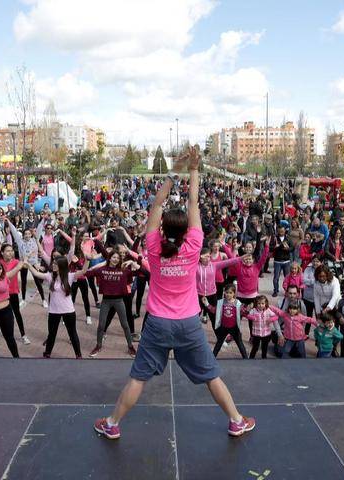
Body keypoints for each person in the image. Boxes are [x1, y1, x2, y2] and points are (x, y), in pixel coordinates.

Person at [94, 147, 255, 440]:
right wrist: (193, 168)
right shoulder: (194, 244)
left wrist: (174, 170)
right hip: (188, 324)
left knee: (138, 377)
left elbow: (156, 206)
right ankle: (236, 420)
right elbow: (193, 201)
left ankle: (112, 423)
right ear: (185, 231)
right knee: (211, 375)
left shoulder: (154, 246)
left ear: (163, 227)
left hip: (157, 323)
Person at [27, 255, 86, 358]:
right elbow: (36, 273)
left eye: (55, 264)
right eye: (53, 263)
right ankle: (47, 353)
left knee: (72, 334)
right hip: (54, 311)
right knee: (52, 334)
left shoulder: (70, 276)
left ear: (61, 265)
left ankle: (78, 354)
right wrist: (28, 265)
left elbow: (83, 271)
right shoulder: (50, 276)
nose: (53, 265)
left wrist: (88, 260)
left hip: (68, 311)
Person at [85, 250, 139, 358]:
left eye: (118, 258)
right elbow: (87, 273)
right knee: (101, 325)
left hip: (119, 301)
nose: (116, 260)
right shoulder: (102, 270)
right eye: (114, 257)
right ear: (109, 258)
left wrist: (133, 263)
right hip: (106, 301)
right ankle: (98, 345)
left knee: (125, 325)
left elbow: (135, 276)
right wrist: (88, 261)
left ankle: (130, 347)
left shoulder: (124, 271)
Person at [203, 286, 248, 358]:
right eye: (226, 292)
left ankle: (246, 358)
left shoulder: (238, 303)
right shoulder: (221, 302)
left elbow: (244, 313)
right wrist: (207, 303)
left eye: (230, 293)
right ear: (224, 293)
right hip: (223, 327)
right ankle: (212, 358)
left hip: (234, 327)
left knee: (240, 344)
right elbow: (214, 310)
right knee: (219, 344)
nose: (228, 294)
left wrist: (248, 309)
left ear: (234, 294)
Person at [244, 295, 282, 359]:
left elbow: (276, 317)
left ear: (265, 303)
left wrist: (270, 320)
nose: (260, 305)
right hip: (256, 334)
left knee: (264, 348)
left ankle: (264, 358)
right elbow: (246, 315)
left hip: (266, 334)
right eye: (259, 303)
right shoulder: (254, 310)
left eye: (262, 303)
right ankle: (251, 358)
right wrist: (253, 317)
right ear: (256, 303)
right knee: (255, 347)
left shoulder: (268, 310)